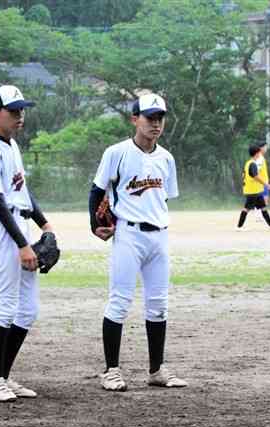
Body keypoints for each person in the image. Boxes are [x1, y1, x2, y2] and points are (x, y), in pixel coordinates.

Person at [88, 93, 188, 392]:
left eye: (160, 118)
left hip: (159, 235)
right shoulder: (116, 152)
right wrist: (95, 224)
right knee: (119, 301)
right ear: (135, 119)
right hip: (128, 235)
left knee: (158, 305)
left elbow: (164, 197)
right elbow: (96, 191)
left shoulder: (166, 158)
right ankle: (111, 370)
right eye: (149, 118)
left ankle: (157, 369)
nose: (155, 123)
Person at [0, 85, 54, 401]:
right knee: (6, 306)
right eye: (13, 110)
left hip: (19, 227)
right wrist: (23, 244)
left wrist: (44, 224)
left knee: (28, 309)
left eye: (22, 110)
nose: (20, 116)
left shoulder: (11, 146)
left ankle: (3, 376)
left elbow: (22, 192)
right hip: (2, 231)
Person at [236, 145, 270, 231]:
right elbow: (255, 176)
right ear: (257, 153)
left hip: (256, 190)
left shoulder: (248, 163)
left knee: (263, 208)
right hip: (252, 191)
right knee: (246, 209)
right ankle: (239, 227)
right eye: (259, 153)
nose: (260, 154)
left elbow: (244, 175)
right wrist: (266, 184)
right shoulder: (252, 164)